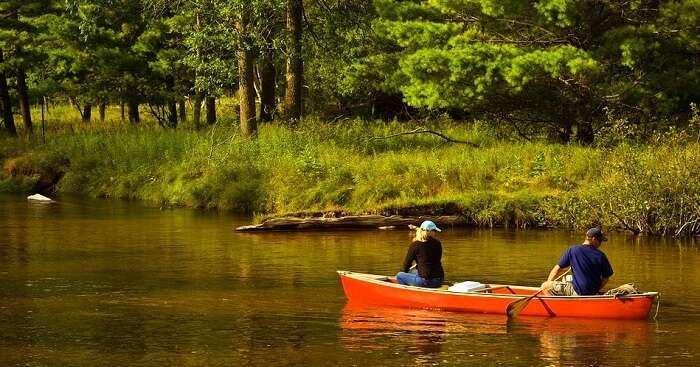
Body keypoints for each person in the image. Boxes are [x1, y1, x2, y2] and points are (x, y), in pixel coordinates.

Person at [541, 227, 613, 296]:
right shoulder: (601, 255)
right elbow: (606, 278)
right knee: (568, 278)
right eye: (600, 241)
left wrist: (548, 283)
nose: (600, 243)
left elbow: (557, 269)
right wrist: (596, 290)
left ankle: (558, 305)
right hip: (592, 292)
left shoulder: (573, 250)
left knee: (545, 285)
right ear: (593, 239)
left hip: (577, 292)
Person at [395, 221, 444, 288]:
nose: (435, 232)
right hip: (439, 279)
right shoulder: (438, 243)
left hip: (427, 281)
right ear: (429, 231)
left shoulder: (415, 245)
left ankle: (408, 293)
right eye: (434, 230)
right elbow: (434, 260)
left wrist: (403, 273)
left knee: (399, 275)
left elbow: (407, 264)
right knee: (412, 272)